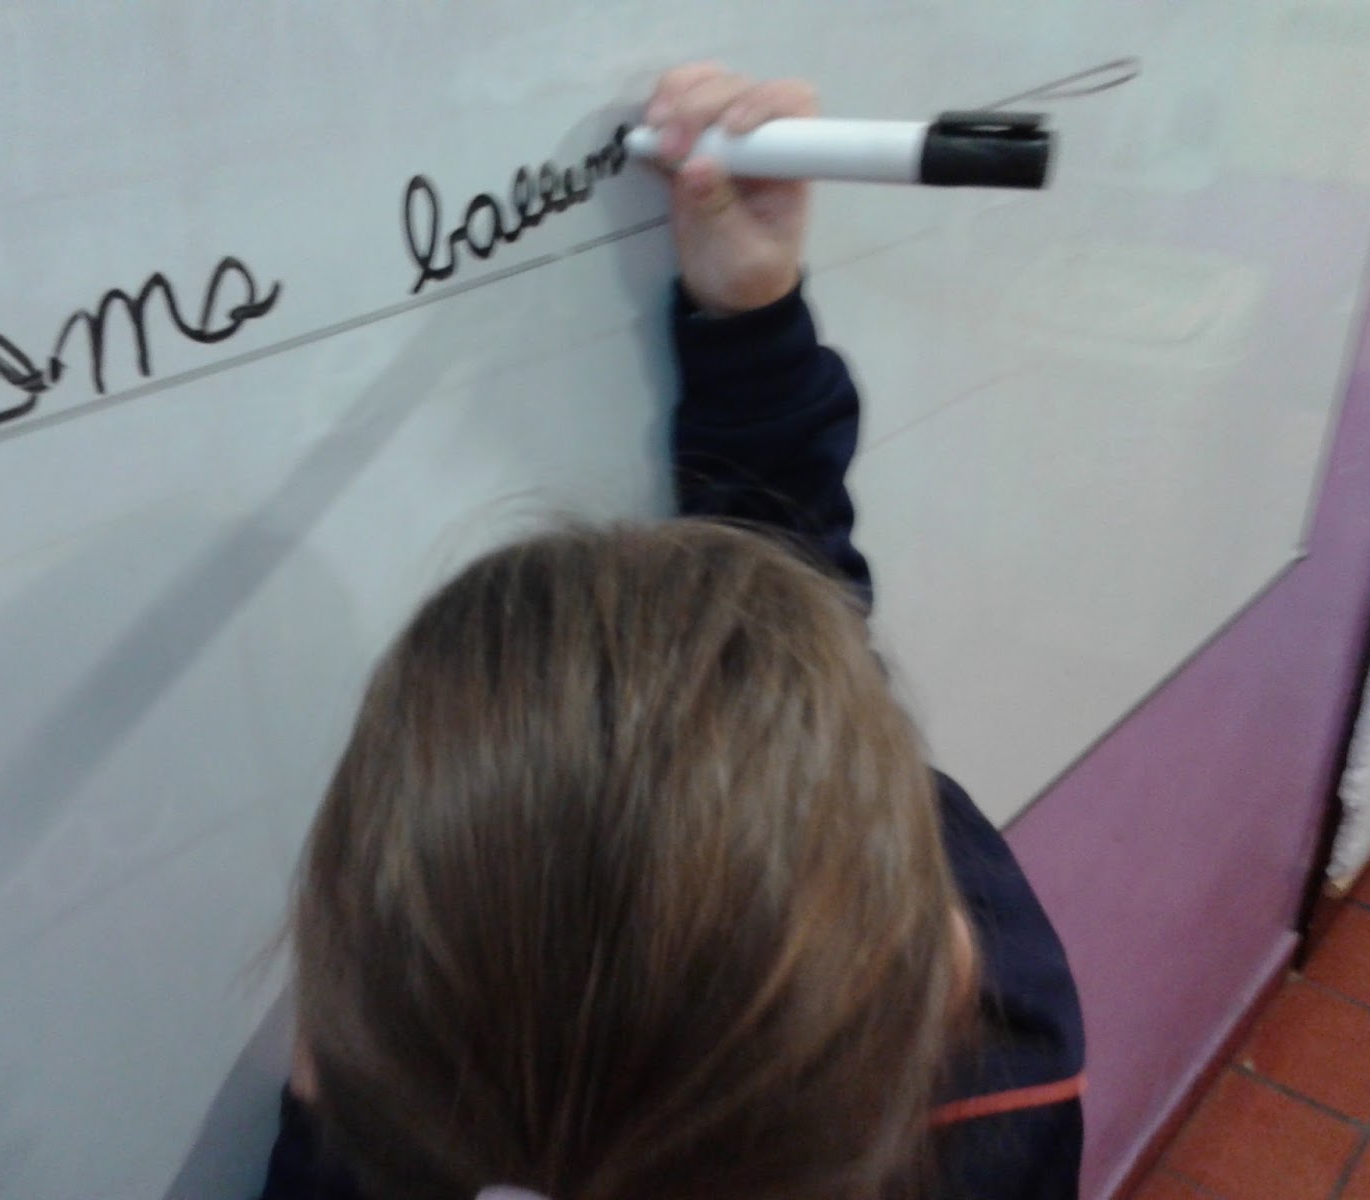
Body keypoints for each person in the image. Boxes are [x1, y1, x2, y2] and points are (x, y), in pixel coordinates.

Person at [259, 64, 1084, 1200]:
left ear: (334, 1048)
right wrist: (754, 324)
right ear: (946, 979)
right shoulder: (999, 1103)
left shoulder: (376, 1156)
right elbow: (787, 714)